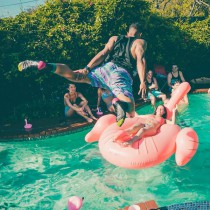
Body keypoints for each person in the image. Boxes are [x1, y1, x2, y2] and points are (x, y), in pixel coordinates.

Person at [18, 22, 147, 127]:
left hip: (104, 70)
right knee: (130, 111)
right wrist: (142, 81)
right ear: (140, 34)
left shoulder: (114, 38)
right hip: (120, 74)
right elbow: (140, 60)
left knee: (73, 76)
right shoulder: (140, 42)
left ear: (127, 32)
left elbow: (103, 54)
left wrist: (87, 68)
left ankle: (47, 66)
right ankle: (118, 103)